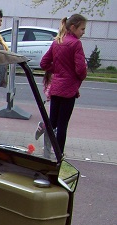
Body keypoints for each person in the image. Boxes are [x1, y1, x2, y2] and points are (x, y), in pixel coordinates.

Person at [39, 14, 88, 155]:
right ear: (73, 27)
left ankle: (47, 149)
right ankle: (59, 152)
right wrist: (79, 76)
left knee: (52, 122)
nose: (83, 32)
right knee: (62, 124)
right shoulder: (76, 44)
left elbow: (44, 63)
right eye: (82, 29)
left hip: (56, 87)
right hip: (69, 89)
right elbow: (80, 69)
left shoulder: (57, 42)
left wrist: (57, 70)